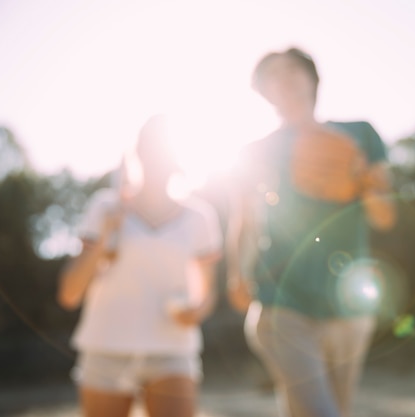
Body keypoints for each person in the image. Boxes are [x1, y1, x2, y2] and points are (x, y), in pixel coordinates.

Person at [226, 47, 397, 417]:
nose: (283, 78)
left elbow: (385, 216)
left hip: (349, 305)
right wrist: (237, 272)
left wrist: (361, 178)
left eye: (292, 69)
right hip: (281, 301)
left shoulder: (359, 135)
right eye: (272, 74)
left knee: (327, 410)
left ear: (312, 78)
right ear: (264, 91)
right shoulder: (255, 151)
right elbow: (246, 219)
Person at [57, 114, 223, 417]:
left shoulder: (200, 217)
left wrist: (195, 310)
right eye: (150, 146)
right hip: (105, 350)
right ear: (138, 152)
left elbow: (207, 294)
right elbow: (69, 294)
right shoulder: (104, 207)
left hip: (172, 352)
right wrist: (107, 234)